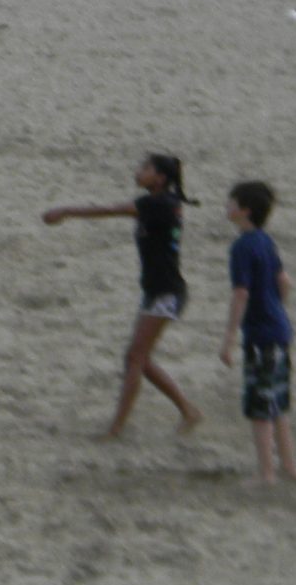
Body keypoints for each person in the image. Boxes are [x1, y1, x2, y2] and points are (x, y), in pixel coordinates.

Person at [40, 154, 207, 437]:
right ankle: (188, 411)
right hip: (158, 290)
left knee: (135, 359)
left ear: (160, 178)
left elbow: (109, 209)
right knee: (139, 359)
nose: (138, 171)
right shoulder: (164, 203)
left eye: (145, 168)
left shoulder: (156, 204)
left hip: (166, 292)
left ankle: (117, 428)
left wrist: (65, 211)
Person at [220, 181, 296, 485]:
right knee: (278, 402)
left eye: (230, 202)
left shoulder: (242, 246)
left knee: (259, 406)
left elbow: (241, 293)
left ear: (244, 210)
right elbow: (285, 282)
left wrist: (228, 338)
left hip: (261, 335)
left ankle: (266, 473)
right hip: (280, 329)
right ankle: (289, 468)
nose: (226, 206)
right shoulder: (265, 241)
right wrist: (278, 309)